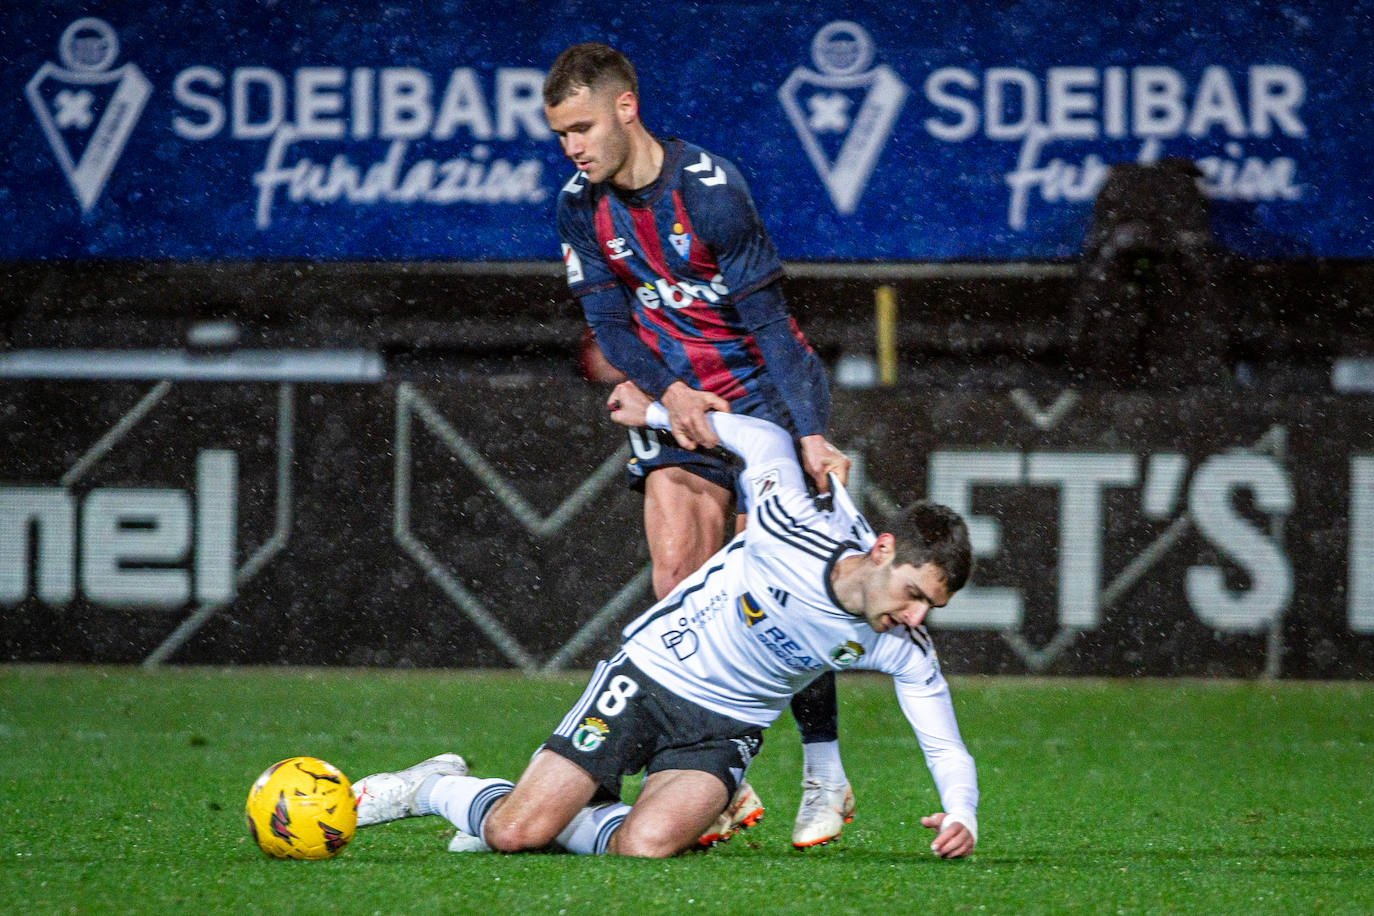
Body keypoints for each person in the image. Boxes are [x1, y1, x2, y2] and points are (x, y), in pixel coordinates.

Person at [352, 381, 979, 860]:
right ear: (882, 550)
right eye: (913, 593)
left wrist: (961, 814)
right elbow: (762, 439)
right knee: (517, 832)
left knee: (644, 846)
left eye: (931, 608)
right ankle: (431, 788)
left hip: (725, 728)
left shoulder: (905, 646)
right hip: (651, 675)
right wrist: (652, 415)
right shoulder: (792, 526)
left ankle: (554, 816)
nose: (915, 615)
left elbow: (944, 743)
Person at [542, 40, 856, 848]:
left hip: (761, 405)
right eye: (560, 135)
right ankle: (717, 771)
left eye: (580, 127)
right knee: (677, 576)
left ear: (625, 107)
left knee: (784, 593)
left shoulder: (711, 191)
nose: (572, 148)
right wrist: (670, 390)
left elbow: (770, 327)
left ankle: (825, 772)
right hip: (680, 405)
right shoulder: (581, 205)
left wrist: (812, 432)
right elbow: (608, 324)